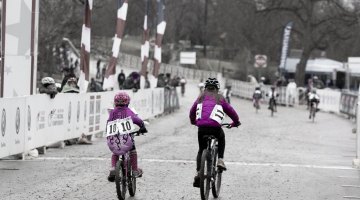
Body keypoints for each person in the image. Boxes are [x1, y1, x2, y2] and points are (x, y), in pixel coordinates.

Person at [189, 78, 241, 188]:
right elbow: (231, 111)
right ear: (217, 89)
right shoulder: (220, 98)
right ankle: (220, 160)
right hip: (215, 127)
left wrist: (194, 122)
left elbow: (192, 111)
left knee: (201, 149)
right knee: (221, 137)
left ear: (205, 88)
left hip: (201, 128)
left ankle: (199, 173)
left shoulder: (200, 97)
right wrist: (235, 122)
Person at [106, 92, 148, 182]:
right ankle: (135, 170)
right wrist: (142, 126)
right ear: (127, 102)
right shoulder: (129, 111)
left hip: (113, 141)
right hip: (126, 140)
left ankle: (113, 168)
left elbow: (108, 123)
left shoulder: (112, 112)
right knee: (133, 150)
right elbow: (137, 120)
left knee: (115, 153)